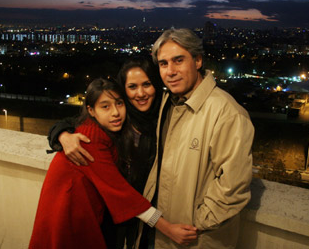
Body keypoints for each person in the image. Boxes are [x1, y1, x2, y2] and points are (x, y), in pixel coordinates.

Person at [30, 78, 197, 249]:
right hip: (66, 215)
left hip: (77, 213)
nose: (116, 112)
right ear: (91, 111)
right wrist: (168, 228)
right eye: (105, 107)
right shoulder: (89, 139)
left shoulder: (102, 131)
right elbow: (120, 192)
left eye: (119, 103)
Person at [136, 28, 255, 248]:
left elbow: (233, 186)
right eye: (163, 64)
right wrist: (64, 132)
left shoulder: (227, 113)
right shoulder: (168, 103)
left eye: (178, 60)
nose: (170, 71)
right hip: (160, 233)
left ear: (198, 61)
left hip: (195, 240)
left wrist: (195, 224)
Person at [47, 57, 164, 248]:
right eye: (132, 87)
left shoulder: (164, 118)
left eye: (147, 84)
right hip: (114, 213)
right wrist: (60, 134)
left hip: (145, 211)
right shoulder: (112, 123)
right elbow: (75, 124)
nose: (140, 93)